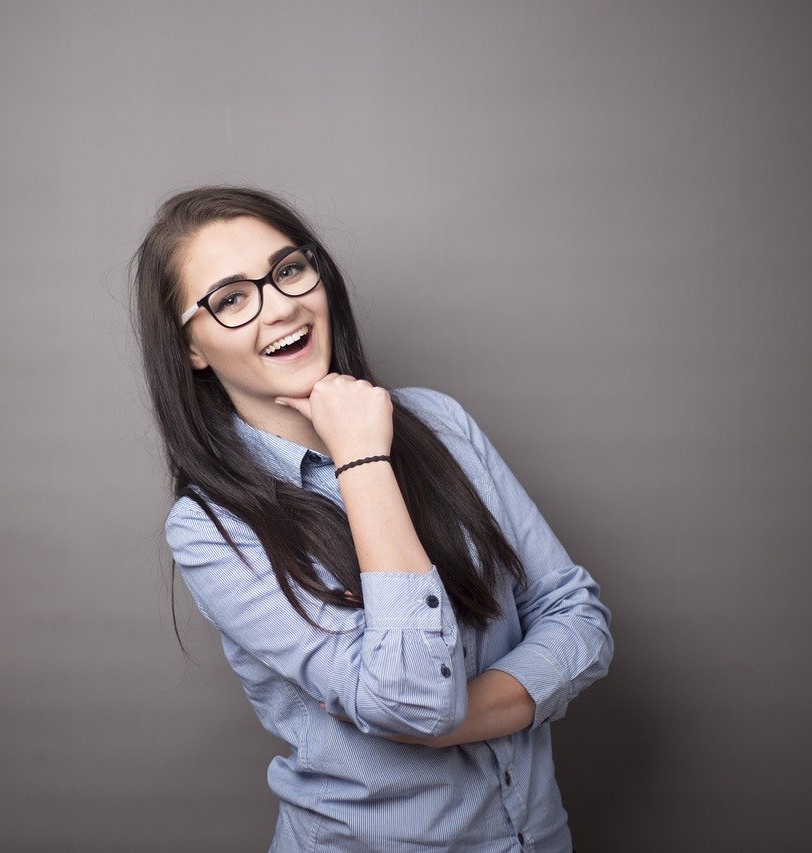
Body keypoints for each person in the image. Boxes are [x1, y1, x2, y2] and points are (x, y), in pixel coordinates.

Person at [131, 186, 613, 852]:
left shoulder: (439, 421)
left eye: (289, 269)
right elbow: (416, 697)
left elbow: (577, 614)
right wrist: (361, 458)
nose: (281, 305)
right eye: (232, 299)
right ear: (192, 349)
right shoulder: (210, 528)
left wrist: (448, 722)